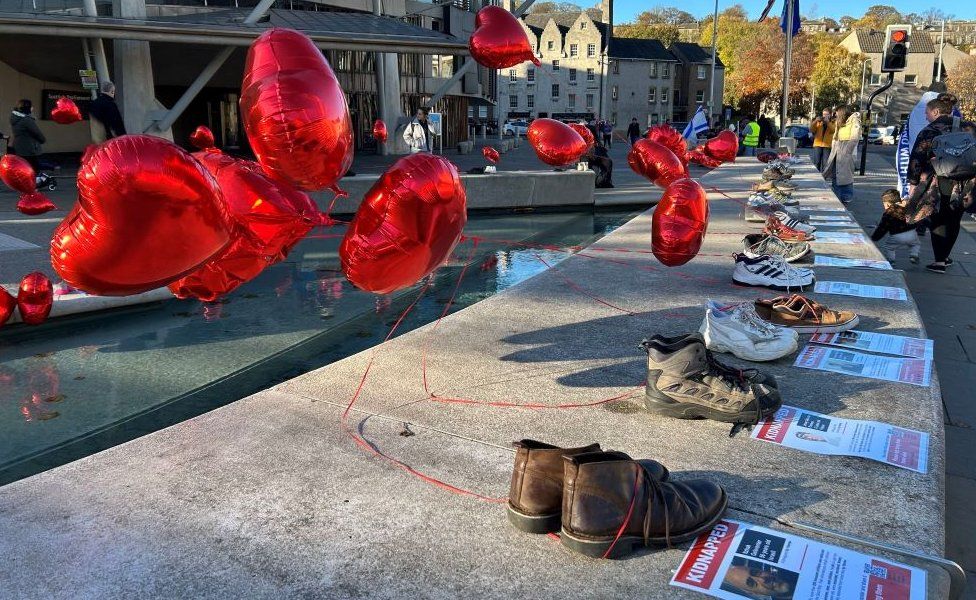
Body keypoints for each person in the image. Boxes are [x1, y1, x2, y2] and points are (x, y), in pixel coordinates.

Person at [907, 93, 976, 274]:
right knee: (954, 219)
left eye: (927, 113)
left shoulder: (930, 130)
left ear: (936, 111)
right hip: (965, 182)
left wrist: (913, 182)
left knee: (937, 219)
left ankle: (939, 262)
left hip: (938, 182)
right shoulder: (969, 127)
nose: (926, 116)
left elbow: (917, 158)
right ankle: (945, 257)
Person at [822, 105, 861, 204]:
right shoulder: (840, 122)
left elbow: (854, 138)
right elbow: (836, 135)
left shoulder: (854, 121)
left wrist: (847, 151)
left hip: (846, 150)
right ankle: (836, 195)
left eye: (837, 112)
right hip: (838, 148)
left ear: (842, 112)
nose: (835, 114)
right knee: (835, 172)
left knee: (845, 175)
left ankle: (846, 197)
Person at [871, 188, 921, 265]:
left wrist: (875, 237)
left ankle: (891, 260)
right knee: (916, 244)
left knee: (889, 247)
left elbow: (883, 227)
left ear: (887, 204)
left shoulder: (888, 213)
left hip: (896, 235)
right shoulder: (907, 207)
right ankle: (914, 254)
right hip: (912, 233)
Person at [9, 99, 45, 173]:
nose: (32, 108)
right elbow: (37, 133)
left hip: (19, 147)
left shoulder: (16, 118)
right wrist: (42, 140)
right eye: (31, 106)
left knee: (22, 168)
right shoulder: (26, 120)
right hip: (29, 149)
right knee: (34, 169)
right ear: (27, 108)